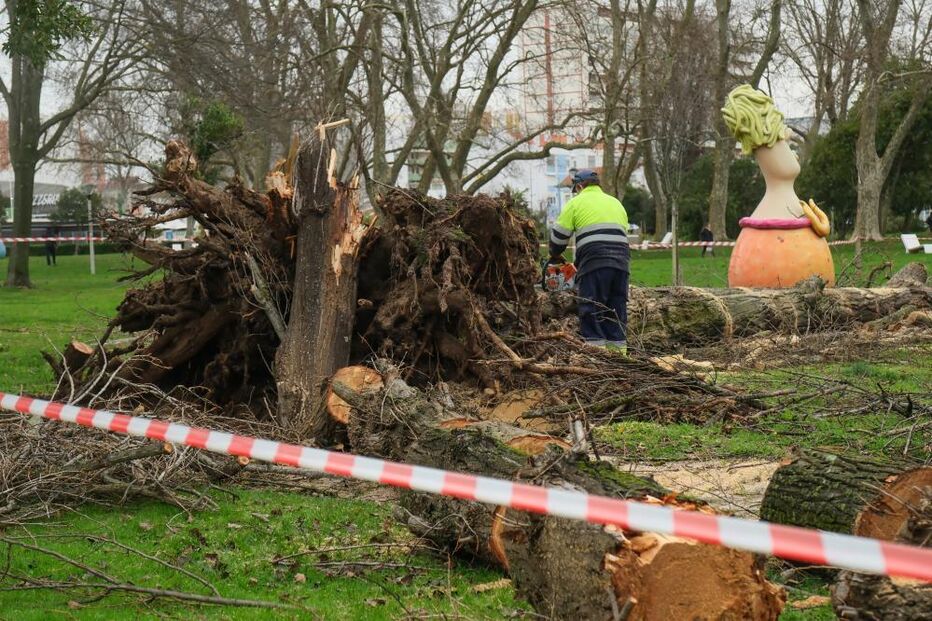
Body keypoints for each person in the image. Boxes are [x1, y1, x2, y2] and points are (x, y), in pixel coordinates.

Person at [549, 169, 630, 353]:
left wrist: (554, 254)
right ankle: (620, 360)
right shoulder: (615, 203)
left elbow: (559, 238)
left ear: (579, 186)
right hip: (621, 263)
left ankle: (596, 359)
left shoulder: (576, 202)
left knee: (590, 308)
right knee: (616, 309)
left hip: (595, 262)